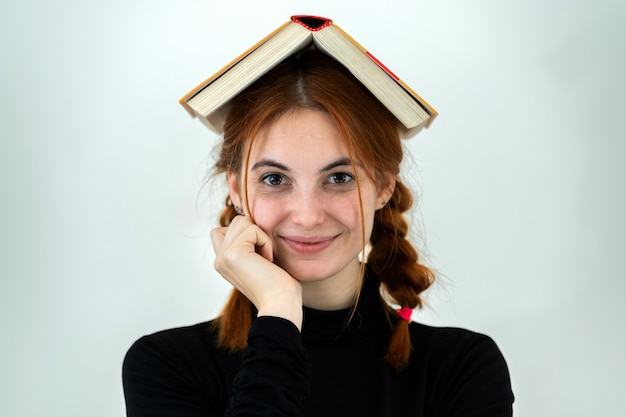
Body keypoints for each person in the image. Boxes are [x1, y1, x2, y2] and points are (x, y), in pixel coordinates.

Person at [122, 46, 514, 416]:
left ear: (384, 186)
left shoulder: (461, 369)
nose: (307, 216)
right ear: (237, 189)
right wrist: (278, 308)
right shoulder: (167, 366)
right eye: (275, 179)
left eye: (339, 177)